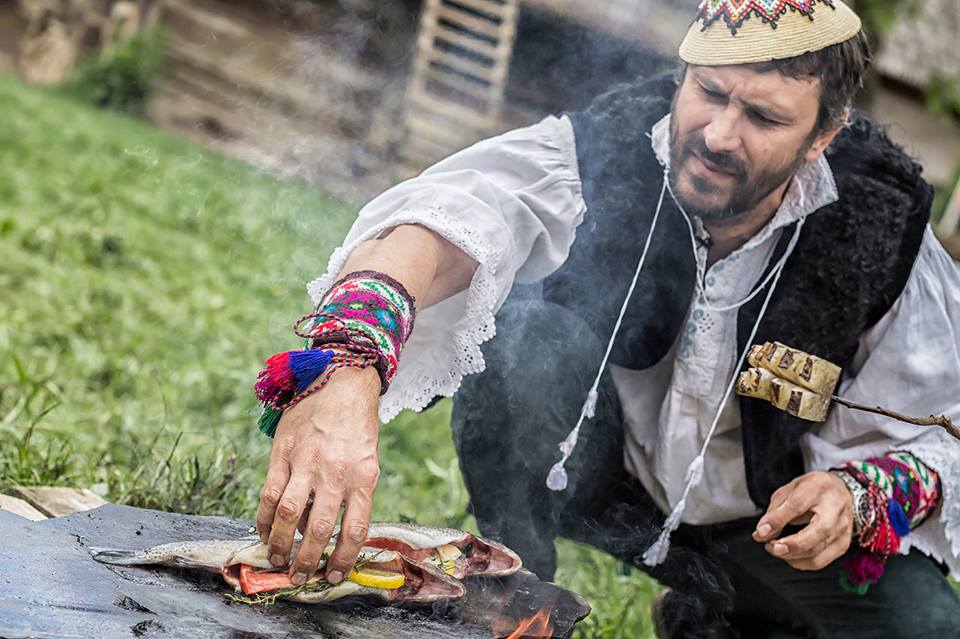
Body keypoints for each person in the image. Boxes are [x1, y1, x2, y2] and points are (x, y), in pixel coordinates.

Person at [252, 0, 960, 635]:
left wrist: (855, 493)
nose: (718, 135)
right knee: (527, 341)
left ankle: (719, 617)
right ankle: (512, 600)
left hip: (765, 529)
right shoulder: (608, 145)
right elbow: (444, 222)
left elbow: (946, 428)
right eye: (709, 92)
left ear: (822, 135)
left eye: (764, 119)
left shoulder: (880, 224)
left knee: (926, 625)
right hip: (593, 476)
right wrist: (349, 363)